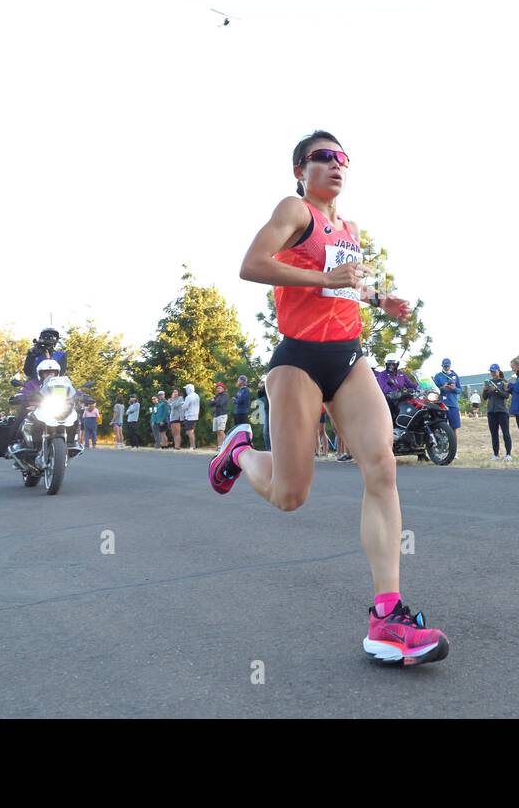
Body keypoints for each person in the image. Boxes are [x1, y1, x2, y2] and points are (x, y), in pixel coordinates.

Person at [207, 130, 448, 667]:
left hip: (348, 356)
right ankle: (239, 452)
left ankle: (387, 615)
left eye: (342, 158)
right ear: (300, 168)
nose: (336, 165)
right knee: (291, 496)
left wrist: (380, 299)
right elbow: (252, 265)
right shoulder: (295, 210)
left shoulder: (349, 228)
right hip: (298, 360)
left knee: (381, 466)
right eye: (324, 157)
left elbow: (343, 285)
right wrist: (322, 276)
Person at [482, 363, 513, 461]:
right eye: (491, 371)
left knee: (505, 433)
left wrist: (496, 390)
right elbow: (485, 397)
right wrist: (485, 390)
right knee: (494, 434)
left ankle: (508, 454)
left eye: (494, 371)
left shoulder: (503, 381)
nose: (492, 373)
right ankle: (495, 454)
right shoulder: (489, 382)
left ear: (499, 371)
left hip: (502, 411)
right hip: (491, 411)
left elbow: (506, 395)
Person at [432, 358, 463, 441]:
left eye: (448, 366)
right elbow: (434, 390)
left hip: (453, 404)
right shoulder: (438, 376)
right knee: (442, 428)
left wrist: (454, 388)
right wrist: (442, 388)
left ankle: (454, 449)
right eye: (445, 366)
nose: (446, 367)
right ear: (442, 366)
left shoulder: (455, 375)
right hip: (441, 405)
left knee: (454, 428)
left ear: (450, 365)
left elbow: (460, 390)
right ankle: (444, 449)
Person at [210, 382, 229, 448]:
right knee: (217, 431)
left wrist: (214, 401)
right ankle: (219, 446)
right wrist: (214, 401)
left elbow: (220, 403)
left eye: (220, 388)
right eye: (217, 388)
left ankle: (226, 446)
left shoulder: (225, 395)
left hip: (222, 415)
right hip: (216, 415)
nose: (218, 389)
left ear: (223, 389)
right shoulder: (217, 396)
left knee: (221, 431)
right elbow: (210, 403)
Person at [183, 384, 201, 450]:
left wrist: (182, 405)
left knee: (189, 432)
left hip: (189, 416)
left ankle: (192, 446)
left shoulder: (189, 397)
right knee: (191, 431)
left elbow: (184, 406)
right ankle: (193, 445)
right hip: (195, 415)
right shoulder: (197, 395)